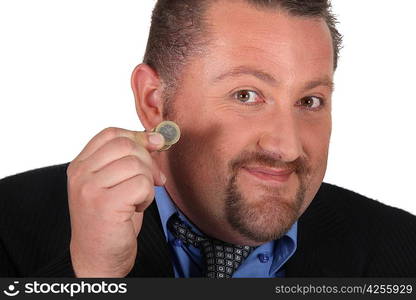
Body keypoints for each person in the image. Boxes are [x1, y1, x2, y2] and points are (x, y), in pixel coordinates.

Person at [1, 0, 415, 278]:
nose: (287, 148)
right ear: (154, 102)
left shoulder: (402, 252)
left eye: (310, 100)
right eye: (247, 95)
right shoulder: (11, 227)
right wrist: (92, 276)